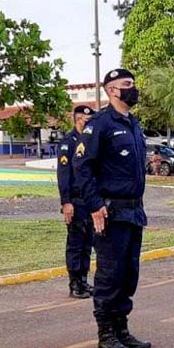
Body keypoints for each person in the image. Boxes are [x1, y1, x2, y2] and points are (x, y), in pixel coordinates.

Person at [74, 69, 152, 348]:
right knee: (110, 274)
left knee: (128, 274)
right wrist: (94, 204)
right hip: (110, 212)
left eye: (133, 83)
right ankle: (106, 333)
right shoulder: (101, 124)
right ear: (111, 91)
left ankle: (121, 329)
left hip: (134, 211)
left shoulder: (133, 124)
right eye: (126, 85)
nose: (133, 89)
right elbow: (82, 167)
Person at [58, 105, 96, 298]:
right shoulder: (68, 142)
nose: (89, 125)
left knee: (87, 242)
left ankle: (83, 280)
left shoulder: (90, 142)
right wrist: (66, 202)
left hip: (89, 200)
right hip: (75, 200)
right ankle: (74, 283)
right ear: (78, 119)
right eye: (86, 121)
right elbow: (64, 174)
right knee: (75, 243)